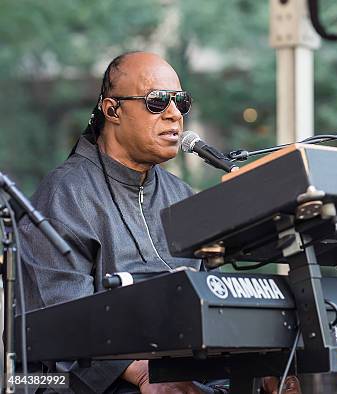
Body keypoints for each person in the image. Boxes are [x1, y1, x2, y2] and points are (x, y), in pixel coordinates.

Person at [20, 51, 299, 394]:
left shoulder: (183, 196)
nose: (174, 115)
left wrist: (259, 363)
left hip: (188, 375)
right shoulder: (64, 194)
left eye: (181, 102)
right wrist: (140, 373)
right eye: (156, 102)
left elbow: (219, 302)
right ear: (112, 110)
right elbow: (62, 323)